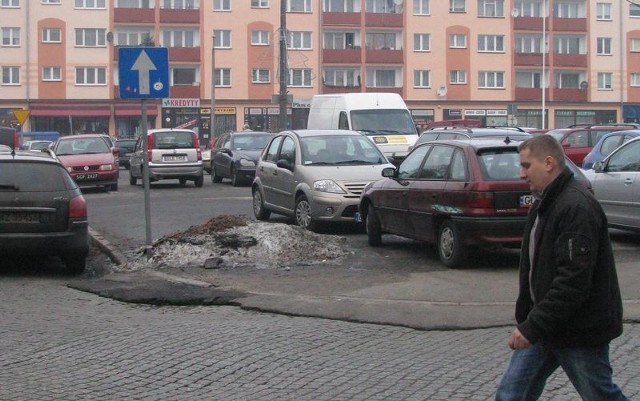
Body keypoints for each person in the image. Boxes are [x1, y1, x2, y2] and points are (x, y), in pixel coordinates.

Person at [495, 135, 629, 401]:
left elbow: (573, 282)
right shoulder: (544, 201)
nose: (521, 174)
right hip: (545, 325)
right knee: (511, 393)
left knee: (600, 395)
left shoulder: (576, 207)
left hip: (579, 329)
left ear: (548, 163)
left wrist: (532, 326)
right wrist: (531, 320)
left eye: (526, 166)